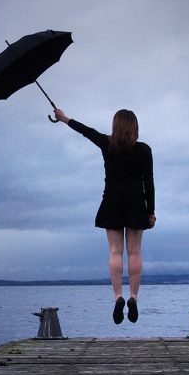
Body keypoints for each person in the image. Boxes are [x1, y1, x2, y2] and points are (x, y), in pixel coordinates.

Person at [53, 107, 156, 324]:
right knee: (135, 253)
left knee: (115, 252)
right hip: (136, 202)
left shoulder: (107, 144)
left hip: (112, 201)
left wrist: (64, 118)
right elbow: (149, 183)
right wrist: (151, 211)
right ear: (135, 127)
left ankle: (118, 296)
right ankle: (133, 297)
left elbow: (86, 131)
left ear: (115, 126)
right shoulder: (144, 150)